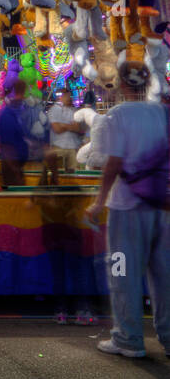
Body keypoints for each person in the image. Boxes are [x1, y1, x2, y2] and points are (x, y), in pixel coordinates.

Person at [85, 65, 170, 359]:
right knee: (164, 274)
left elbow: (114, 164)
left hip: (126, 208)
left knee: (123, 273)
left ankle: (128, 339)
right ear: (147, 84)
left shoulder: (116, 116)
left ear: (121, 84)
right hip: (162, 207)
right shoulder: (162, 113)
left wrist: (98, 201)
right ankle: (169, 336)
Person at [0, 81, 31, 187]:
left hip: (17, 166)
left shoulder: (19, 112)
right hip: (11, 168)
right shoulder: (7, 114)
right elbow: (6, 146)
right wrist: (16, 172)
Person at [47, 87, 85, 174]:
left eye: (69, 95)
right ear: (60, 97)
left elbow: (77, 128)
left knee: (74, 175)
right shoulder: (54, 110)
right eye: (66, 96)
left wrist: (63, 125)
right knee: (58, 174)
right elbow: (57, 129)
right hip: (59, 148)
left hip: (73, 148)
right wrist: (70, 126)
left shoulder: (74, 111)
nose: (69, 98)